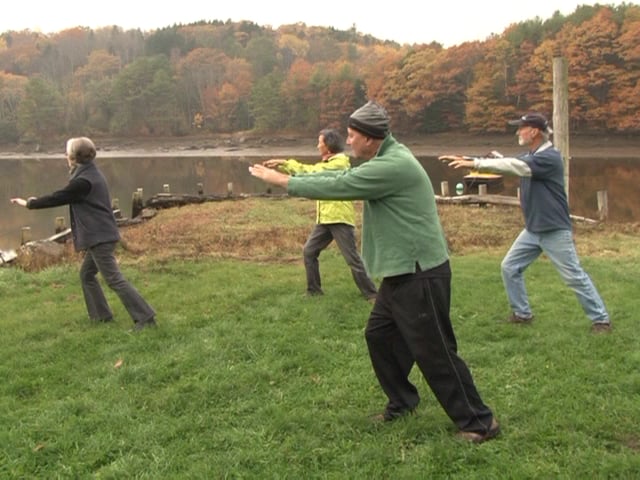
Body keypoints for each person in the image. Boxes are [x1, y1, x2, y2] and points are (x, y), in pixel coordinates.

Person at [249, 101, 499, 443]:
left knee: (435, 351)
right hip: (402, 273)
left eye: (353, 136)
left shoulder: (392, 166)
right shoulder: (384, 158)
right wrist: (294, 171)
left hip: (420, 271)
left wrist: (282, 181)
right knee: (379, 336)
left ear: (371, 137)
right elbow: (338, 174)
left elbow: (340, 186)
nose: (348, 142)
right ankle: (402, 402)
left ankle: (479, 422)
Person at [439, 112, 611, 333]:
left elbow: (514, 166)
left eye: (521, 128)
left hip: (553, 229)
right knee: (510, 267)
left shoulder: (548, 157)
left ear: (535, 131)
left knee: (574, 276)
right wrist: (474, 159)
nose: (518, 131)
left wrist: (475, 163)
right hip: (533, 229)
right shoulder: (532, 155)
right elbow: (510, 162)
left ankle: (601, 320)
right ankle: (522, 314)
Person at [10, 137, 157, 331]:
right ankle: (101, 317)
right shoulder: (90, 173)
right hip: (101, 235)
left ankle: (145, 318)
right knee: (87, 275)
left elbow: (58, 197)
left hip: (100, 237)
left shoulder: (83, 181)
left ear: (73, 157)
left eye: (67, 152)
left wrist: (29, 203)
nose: (65, 155)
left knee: (114, 279)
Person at [262, 128, 377, 301]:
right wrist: (284, 163)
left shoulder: (338, 164)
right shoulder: (329, 162)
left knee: (352, 259)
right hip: (324, 219)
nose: (317, 146)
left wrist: (285, 165)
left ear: (328, 147)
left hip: (339, 218)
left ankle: (372, 294)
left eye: (320, 142)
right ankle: (314, 291)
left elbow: (312, 172)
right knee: (309, 251)